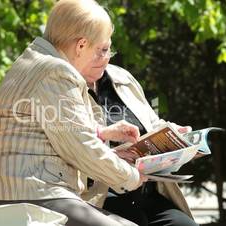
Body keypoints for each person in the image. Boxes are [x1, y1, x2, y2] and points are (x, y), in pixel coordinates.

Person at [0, 1, 147, 225]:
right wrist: (131, 177)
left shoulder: (36, 61)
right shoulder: (56, 71)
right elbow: (80, 145)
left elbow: (57, 131)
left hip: (24, 193)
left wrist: (103, 135)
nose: (105, 58)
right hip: (27, 196)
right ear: (81, 45)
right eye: (102, 49)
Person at [80, 60, 199, 226]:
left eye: (106, 49)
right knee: (135, 220)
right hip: (101, 195)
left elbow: (151, 123)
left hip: (144, 191)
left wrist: (172, 133)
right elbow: (73, 147)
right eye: (97, 48)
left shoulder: (122, 77)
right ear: (80, 47)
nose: (102, 56)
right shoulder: (66, 84)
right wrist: (112, 156)